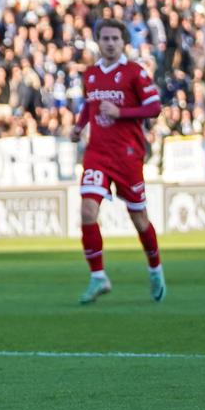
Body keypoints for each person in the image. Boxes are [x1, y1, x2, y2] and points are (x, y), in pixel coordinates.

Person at [70, 19, 165, 304]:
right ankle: (98, 277)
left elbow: (155, 107)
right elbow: (90, 104)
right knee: (87, 212)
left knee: (139, 219)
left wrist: (121, 112)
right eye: (105, 38)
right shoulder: (90, 74)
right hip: (97, 154)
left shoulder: (134, 72)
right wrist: (79, 126)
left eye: (114, 38)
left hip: (127, 156)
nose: (110, 43)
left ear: (123, 42)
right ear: (97, 41)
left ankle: (155, 269)